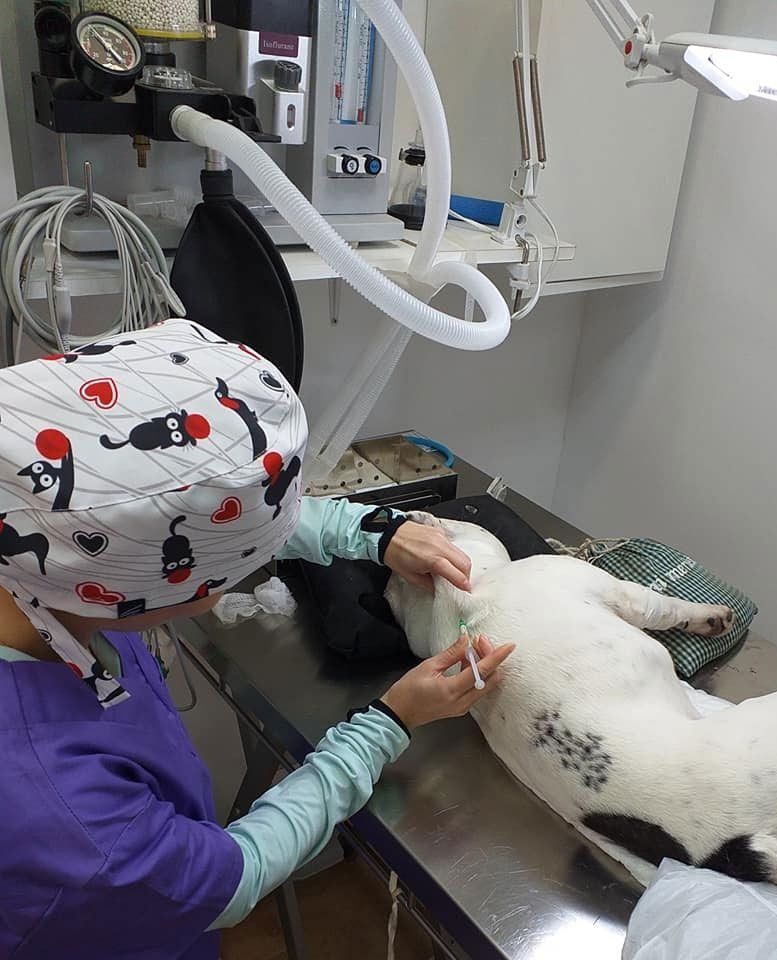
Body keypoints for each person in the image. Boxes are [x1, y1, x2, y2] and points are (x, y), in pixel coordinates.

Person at [0, 318, 514, 959]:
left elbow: (174, 519)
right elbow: (232, 878)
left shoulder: (48, 560)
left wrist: (365, 530)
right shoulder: (66, 815)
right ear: (173, 588)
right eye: (235, 566)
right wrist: (387, 722)